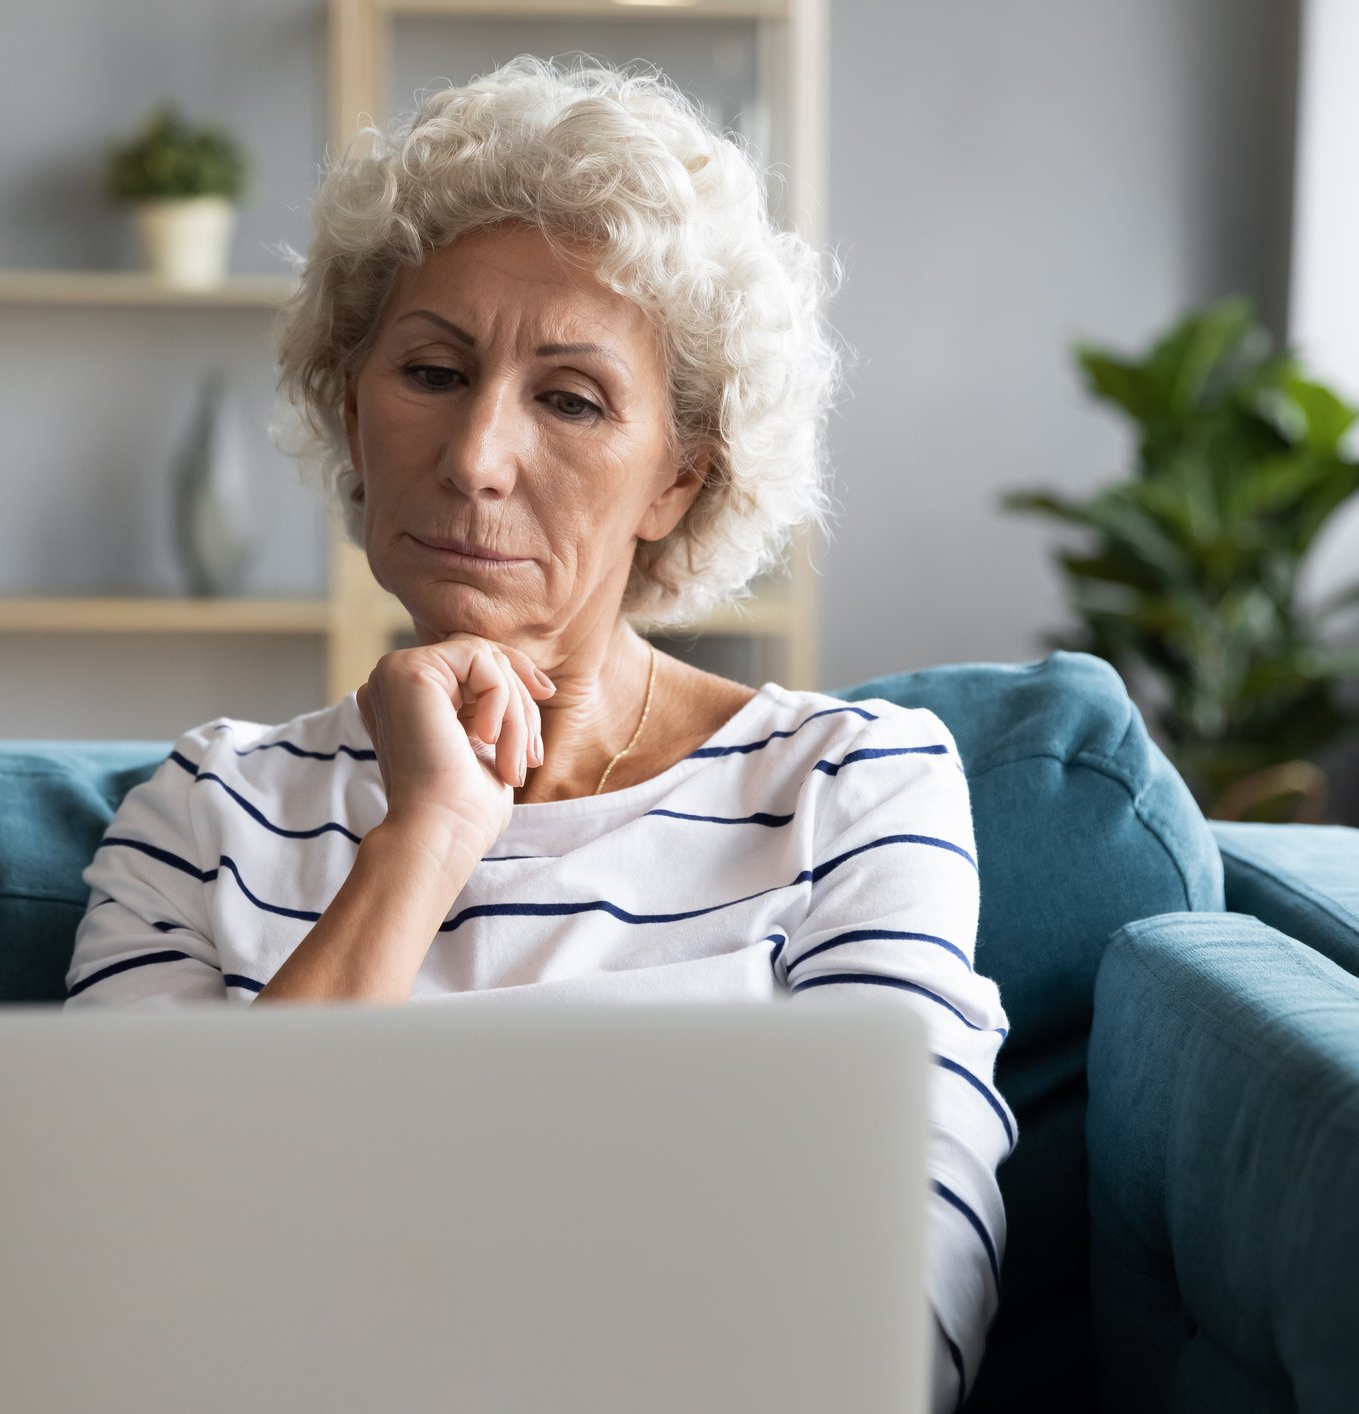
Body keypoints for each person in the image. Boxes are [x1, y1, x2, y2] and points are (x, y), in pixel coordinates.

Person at [64, 55, 1013, 1412]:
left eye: (569, 398)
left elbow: (895, 1326)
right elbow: (126, 1295)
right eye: (431, 372)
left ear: (678, 474)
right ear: (351, 408)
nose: (474, 457)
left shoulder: (853, 788)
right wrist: (427, 839)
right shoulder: (206, 809)